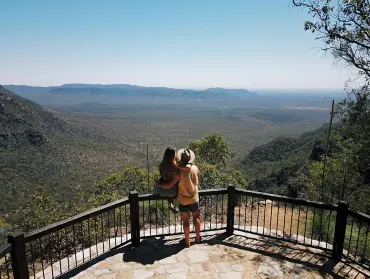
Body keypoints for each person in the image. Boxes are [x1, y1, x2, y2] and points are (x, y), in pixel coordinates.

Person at [160, 148, 201, 247]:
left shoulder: (178, 172)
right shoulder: (195, 168)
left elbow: (169, 185)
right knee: (196, 217)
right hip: (194, 198)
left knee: (186, 220)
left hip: (183, 200)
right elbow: (197, 175)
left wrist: (158, 184)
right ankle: (198, 238)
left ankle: (187, 241)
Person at [156, 148, 180, 213]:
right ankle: (172, 204)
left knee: (164, 181)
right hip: (174, 192)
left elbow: (163, 178)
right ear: (173, 156)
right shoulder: (176, 166)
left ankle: (170, 204)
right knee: (175, 182)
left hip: (161, 191)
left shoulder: (161, 165)